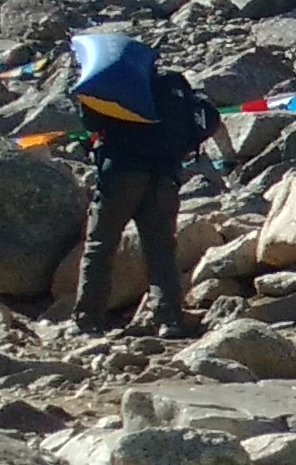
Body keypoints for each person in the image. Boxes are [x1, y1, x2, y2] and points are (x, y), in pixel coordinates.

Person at [59, 26, 221, 336]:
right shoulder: (172, 86)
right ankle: (168, 319)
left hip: (120, 175)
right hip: (164, 178)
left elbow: (91, 123)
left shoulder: (112, 87)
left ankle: (87, 320)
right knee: (160, 250)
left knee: (100, 246)